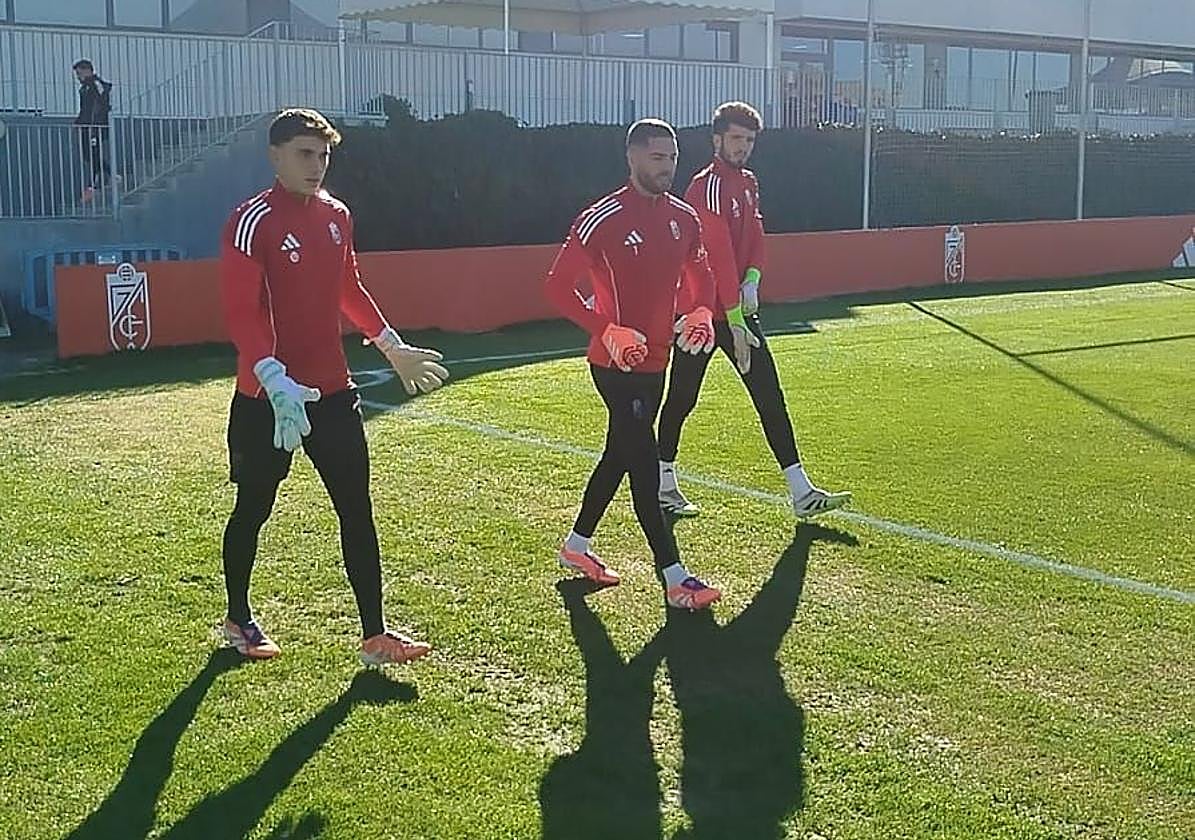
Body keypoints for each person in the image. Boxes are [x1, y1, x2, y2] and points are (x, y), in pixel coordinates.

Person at [218, 108, 449, 664]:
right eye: (304, 154)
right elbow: (240, 312)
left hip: (333, 392)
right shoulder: (250, 221)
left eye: (323, 155)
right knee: (254, 506)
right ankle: (238, 617)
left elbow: (349, 288)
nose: (316, 165)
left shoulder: (336, 216)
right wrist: (272, 376)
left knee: (356, 508)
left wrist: (392, 346)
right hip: (267, 398)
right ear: (275, 156)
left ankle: (375, 635)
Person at [544, 118, 723, 611]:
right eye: (656, 157)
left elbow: (700, 271)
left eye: (671, 158)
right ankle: (674, 576)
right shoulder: (602, 217)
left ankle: (577, 547)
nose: (666, 166)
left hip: (657, 363)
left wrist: (701, 309)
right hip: (614, 365)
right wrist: (607, 329)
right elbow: (558, 286)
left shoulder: (683, 217)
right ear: (632, 158)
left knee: (619, 455)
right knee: (644, 463)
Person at [657, 101, 851, 519]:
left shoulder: (747, 182)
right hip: (701, 315)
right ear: (717, 139)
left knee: (769, 394)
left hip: (735, 312)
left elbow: (757, 233)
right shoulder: (704, 187)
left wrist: (754, 280)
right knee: (683, 396)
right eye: (736, 139)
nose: (743, 147)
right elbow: (717, 258)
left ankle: (801, 491)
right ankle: (663, 480)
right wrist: (736, 314)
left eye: (749, 140)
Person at [73, 59, 113, 203]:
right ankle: (111, 174)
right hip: (86, 126)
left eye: (79, 73)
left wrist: (97, 121)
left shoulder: (96, 84)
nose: (78, 77)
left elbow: (103, 102)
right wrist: (79, 121)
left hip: (95, 126)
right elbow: (85, 109)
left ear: (87, 70)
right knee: (87, 155)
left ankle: (92, 186)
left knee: (94, 153)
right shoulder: (84, 88)